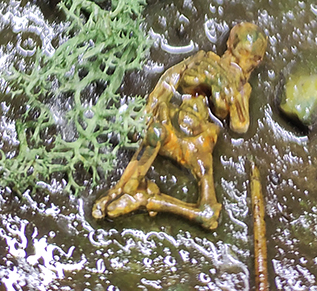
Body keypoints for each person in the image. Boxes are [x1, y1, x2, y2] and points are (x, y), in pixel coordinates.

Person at [92, 22, 267, 231]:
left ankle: (147, 200)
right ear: (230, 44)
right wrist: (150, 108)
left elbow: (239, 125)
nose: (243, 62)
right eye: (242, 52)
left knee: (209, 210)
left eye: (252, 59)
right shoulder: (205, 59)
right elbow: (174, 76)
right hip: (173, 122)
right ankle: (120, 190)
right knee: (155, 133)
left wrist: (230, 94)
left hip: (199, 144)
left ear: (257, 63)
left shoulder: (242, 88)